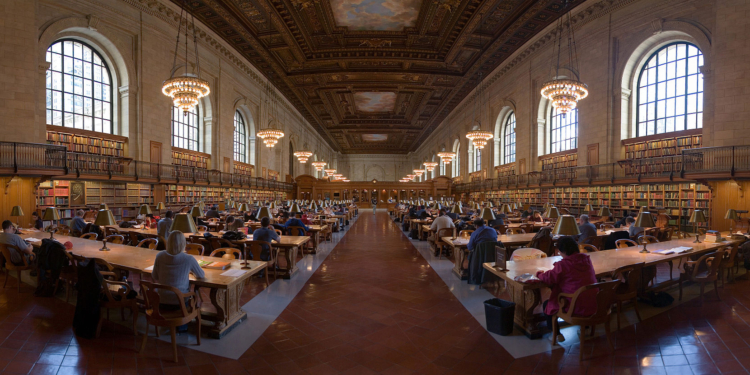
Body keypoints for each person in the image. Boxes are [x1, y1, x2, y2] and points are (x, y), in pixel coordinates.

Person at [536, 236, 597, 343]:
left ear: (563, 251)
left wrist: (539, 274)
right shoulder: (586, 260)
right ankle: (586, 328)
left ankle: (556, 333)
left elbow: (549, 278)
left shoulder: (564, 264)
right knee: (583, 293)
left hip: (575, 306)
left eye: (559, 252)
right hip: (594, 302)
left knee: (548, 304)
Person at [151, 231, 205, 332]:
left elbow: (155, 276)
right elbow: (201, 275)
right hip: (179, 302)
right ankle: (182, 326)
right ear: (183, 243)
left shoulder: (160, 256)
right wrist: (189, 272)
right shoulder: (188, 259)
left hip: (161, 300)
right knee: (188, 297)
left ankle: (168, 323)